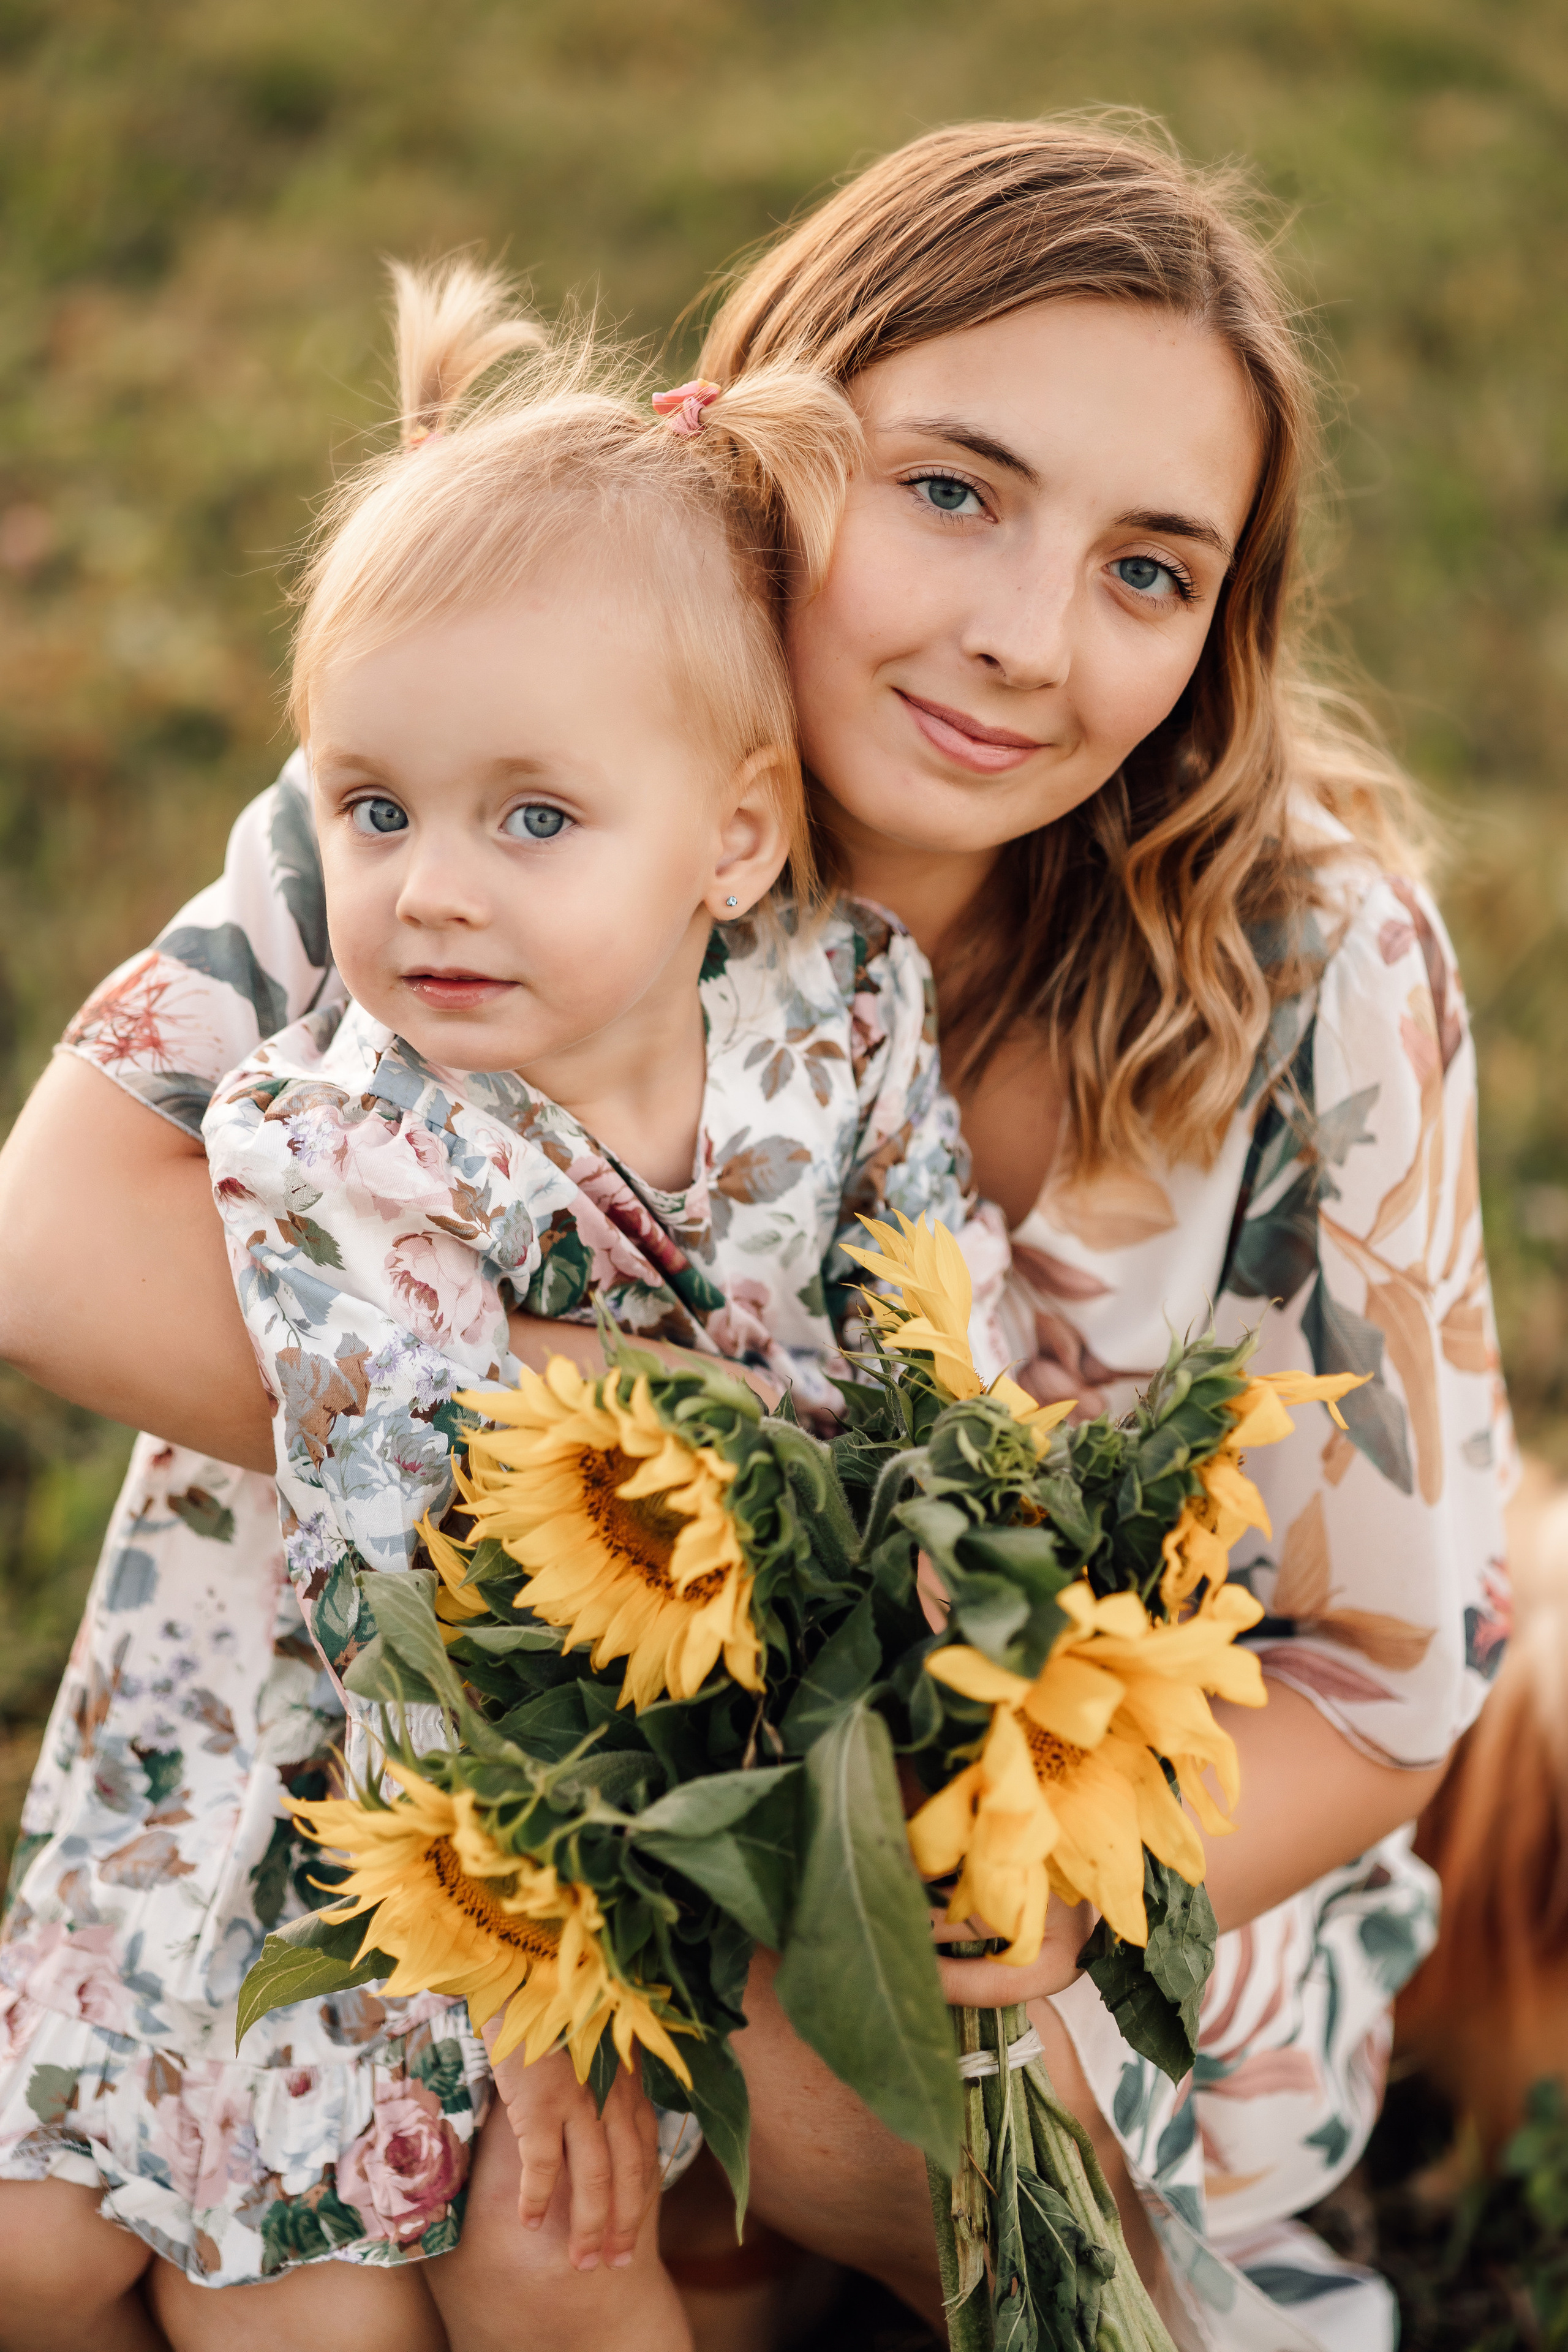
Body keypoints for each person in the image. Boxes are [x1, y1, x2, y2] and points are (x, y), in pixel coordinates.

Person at [0, 114, 1510, 2352]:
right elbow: (56, 1244)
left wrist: (1054, 1874)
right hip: (513, 1785)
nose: (1024, 641)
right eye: (954, 492)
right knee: (251, 2241)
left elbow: (1385, 1686)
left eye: (1148, 571)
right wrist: (643, 1449)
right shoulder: (494, 755)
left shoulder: (1314, 970)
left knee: (816, 2012)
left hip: (1051, 1870)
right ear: (757, 453)